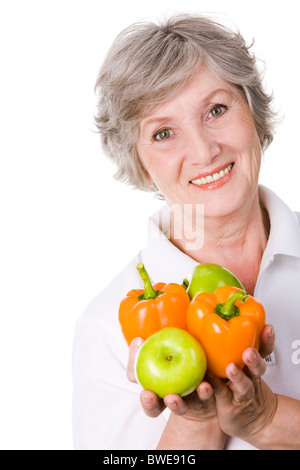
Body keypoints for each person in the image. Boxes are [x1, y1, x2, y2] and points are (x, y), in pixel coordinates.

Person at [72, 14, 300, 450]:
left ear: (253, 111)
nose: (203, 150)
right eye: (163, 133)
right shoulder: (106, 328)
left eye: (216, 109)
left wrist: (266, 419)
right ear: (140, 163)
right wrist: (196, 421)